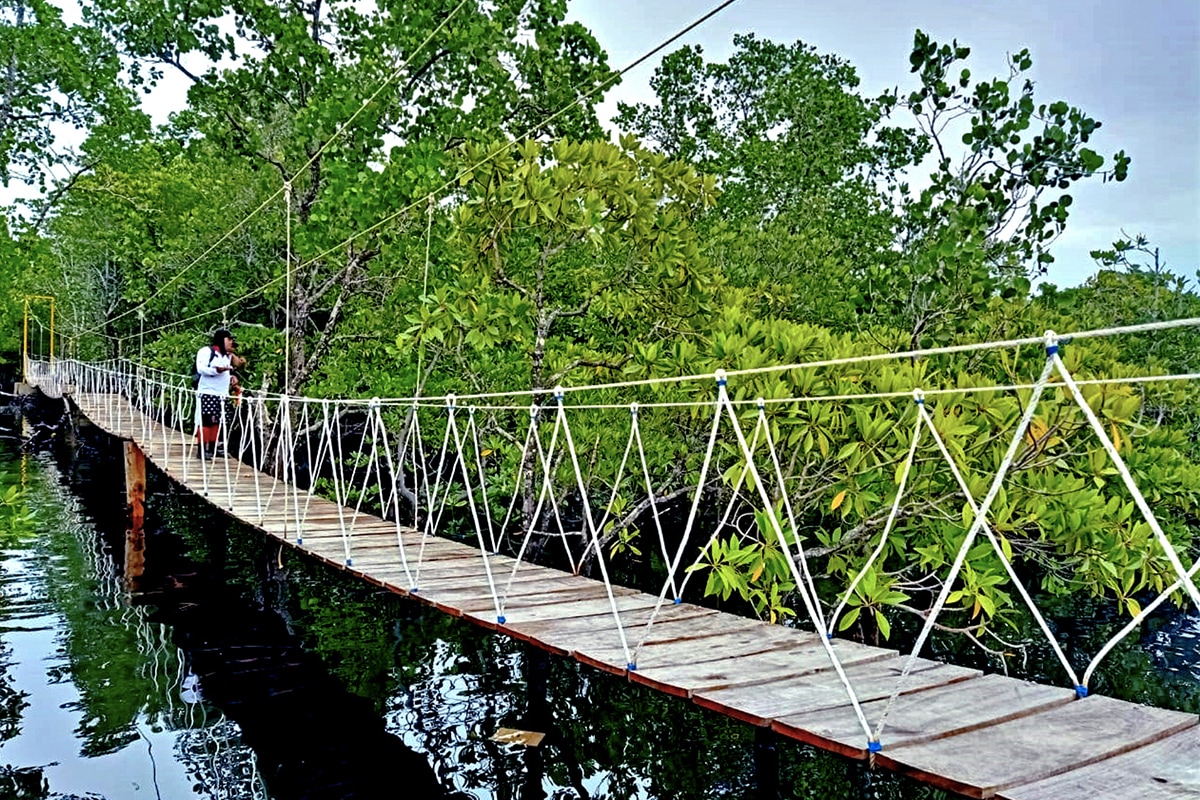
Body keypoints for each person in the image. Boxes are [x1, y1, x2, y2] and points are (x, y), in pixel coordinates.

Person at [195, 329, 246, 459]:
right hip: (208, 392)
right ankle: (201, 450)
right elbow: (200, 369)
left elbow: (232, 368)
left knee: (218, 422)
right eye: (229, 339)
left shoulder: (227, 355)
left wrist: (231, 378)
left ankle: (213, 449)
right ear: (221, 339)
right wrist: (216, 370)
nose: (231, 342)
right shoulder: (206, 352)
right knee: (206, 422)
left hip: (222, 394)